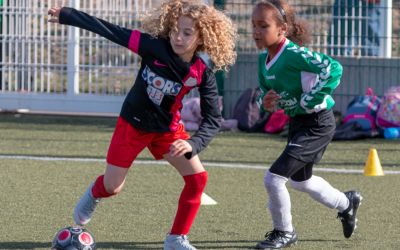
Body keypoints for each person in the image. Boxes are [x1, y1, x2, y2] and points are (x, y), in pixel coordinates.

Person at [48, 1, 236, 249]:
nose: (178, 37)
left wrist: (193, 143)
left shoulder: (202, 73)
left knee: (197, 180)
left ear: (202, 38)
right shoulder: (153, 47)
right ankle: (95, 192)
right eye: (175, 30)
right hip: (133, 125)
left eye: (187, 33)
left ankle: (175, 239)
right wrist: (68, 15)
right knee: (112, 187)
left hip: (167, 131)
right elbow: (111, 30)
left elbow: (213, 120)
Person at [251, 1, 362, 249]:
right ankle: (347, 203)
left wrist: (311, 98)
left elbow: (333, 68)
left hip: (317, 123)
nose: (256, 31)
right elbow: (264, 94)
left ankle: (285, 232)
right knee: (301, 182)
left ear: (282, 29)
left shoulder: (293, 54)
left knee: (273, 179)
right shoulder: (263, 61)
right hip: (298, 123)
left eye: (263, 25)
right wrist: (265, 101)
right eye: (254, 25)